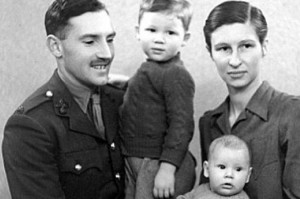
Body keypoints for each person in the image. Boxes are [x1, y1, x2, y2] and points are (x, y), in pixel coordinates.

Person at [2, 0, 125, 198]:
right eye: (90, 41)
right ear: (56, 47)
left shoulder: (121, 101)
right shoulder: (30, 127)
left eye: (109, 39)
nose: (107, 53)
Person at [198, 1, 300, 199]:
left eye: (245, 46)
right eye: (223, 48)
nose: (235, 61)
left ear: (264, 47)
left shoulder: (292, 112)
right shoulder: (209, 123)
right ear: (210, 52)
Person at [119, 0, 196, 198]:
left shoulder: (176, 74)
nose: (159, 39)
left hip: (155, 161)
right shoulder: (152, 68)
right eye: (151, 30)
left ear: (184, 38)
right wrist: (125, 83)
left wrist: (167, 168)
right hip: (134, 157)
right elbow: (148, 93)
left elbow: (182, 125)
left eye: (170, 33)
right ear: (138, 32)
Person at [178, 135, 252, 199]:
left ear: (248, 175)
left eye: (238, 169)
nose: (229, 175)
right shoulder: (200, 190)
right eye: (222, 167)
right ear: (207, 169)